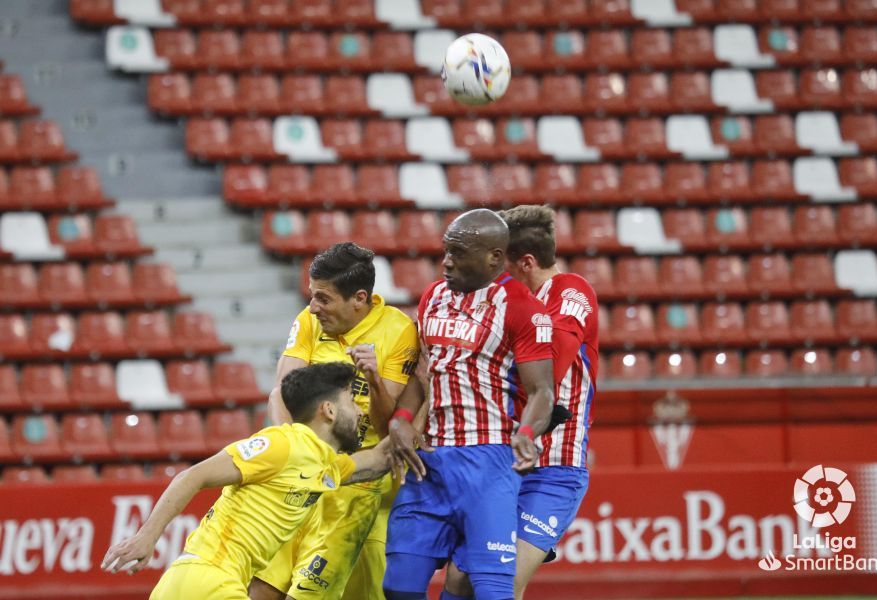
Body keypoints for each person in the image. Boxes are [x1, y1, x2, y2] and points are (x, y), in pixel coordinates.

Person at [102, 362, 397, 600]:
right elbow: (194, 475)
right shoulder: (283, 443)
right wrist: (147, 537)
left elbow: (377, 461)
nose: (360, 411)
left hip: (188, 583)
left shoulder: (325, 464)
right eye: (351, 400)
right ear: (329, 410)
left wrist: (420, 410)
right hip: (208, 580)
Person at [383, 209, 557, 600]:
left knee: (491, 591)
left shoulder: (523, 308)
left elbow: (543, 391)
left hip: (491, 464)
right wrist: (402, 419)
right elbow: (423, 373)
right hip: (430, 461)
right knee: (398, 584)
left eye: (457, 252)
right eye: (445, 250)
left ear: (495, 257)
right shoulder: (432, 296)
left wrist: (527, 432)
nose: (446, 261)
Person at [442, 205, 600, 600]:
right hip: (499, 465)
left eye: (501, 263)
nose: (493, 274)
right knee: (459, 582)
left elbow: (557, 361)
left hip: (553, 468)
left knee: (501, 583)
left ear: (525, 262)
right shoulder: (499, 302)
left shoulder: (570, 291)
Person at [250, 242, 419, 600]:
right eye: (312, 296)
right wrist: (296, 456)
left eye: (323, 298)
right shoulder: (309, 322)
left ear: (359, 298)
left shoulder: (399, 332)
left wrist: (373, 379)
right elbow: (281, 393)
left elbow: (391, 422)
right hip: (305, 478)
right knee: (262, 588)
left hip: (360, 485)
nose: (313, 307)